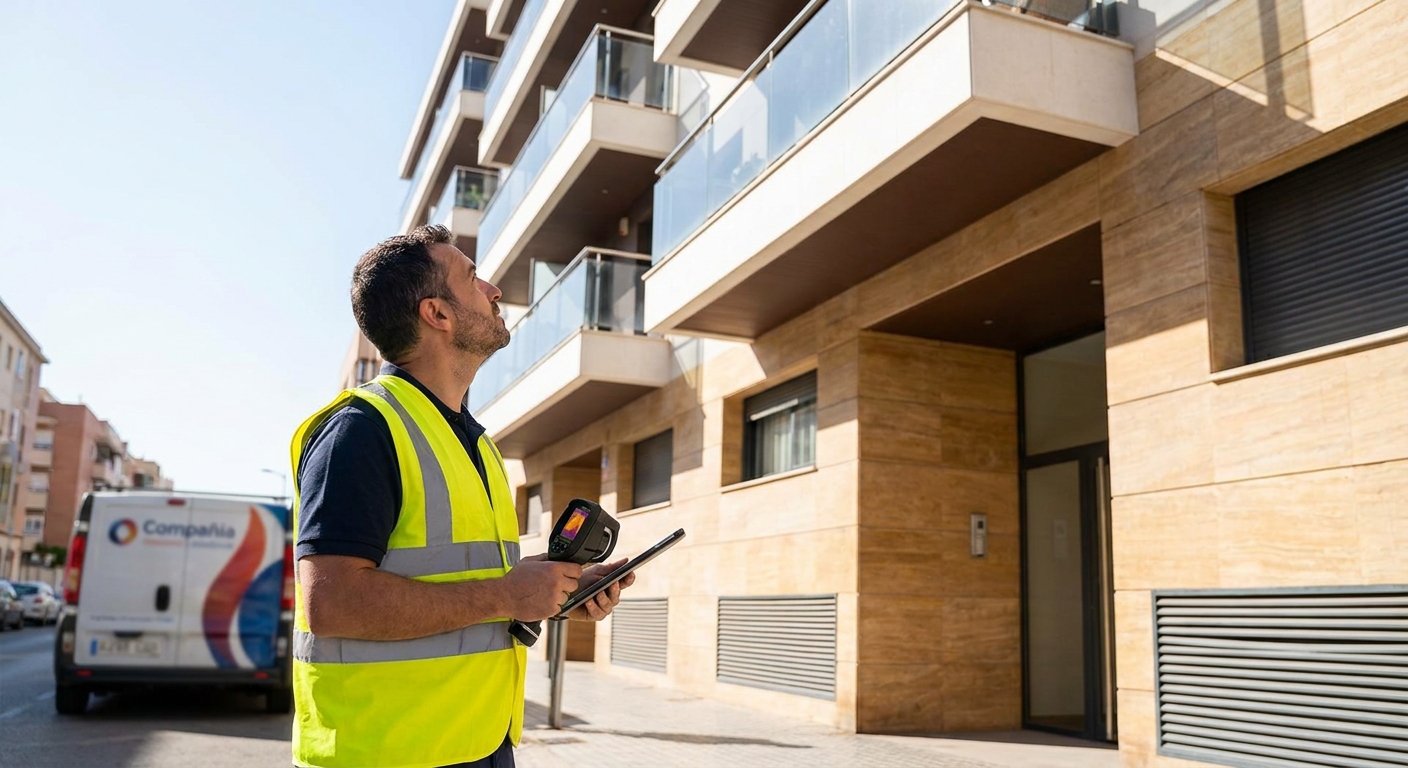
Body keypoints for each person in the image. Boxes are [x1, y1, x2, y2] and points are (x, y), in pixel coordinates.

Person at [289, 225, 633, 768]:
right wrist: (505, 596)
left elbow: (468, 579)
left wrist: (551, 588)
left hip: (480, 743)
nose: (494, 290)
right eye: (473, 278)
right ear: (438, 314)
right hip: (386, 755)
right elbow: (332, 604)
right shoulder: (360, 430)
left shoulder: (473, 441)